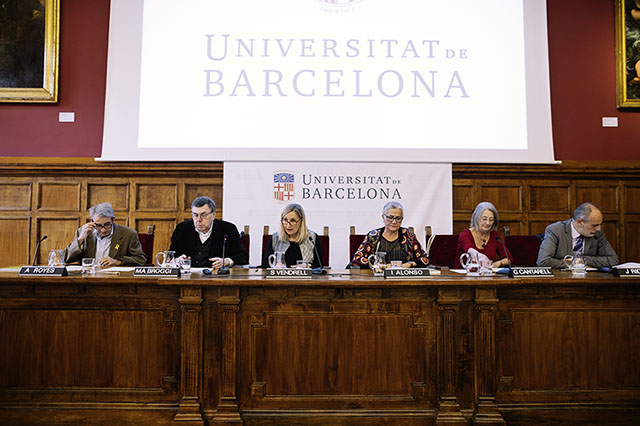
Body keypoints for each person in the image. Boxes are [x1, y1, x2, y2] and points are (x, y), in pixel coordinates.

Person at [169, 196, 248, 268]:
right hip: (188, 277)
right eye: (195, 215)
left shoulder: (228, 229)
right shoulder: (182, 229)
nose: (199, 220)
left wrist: (226, 261)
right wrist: (177, 260)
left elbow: (243, 257)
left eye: (203, 215)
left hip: (216, 278)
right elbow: (170, 256)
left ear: (213, 215)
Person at [537, 202, 618, 268]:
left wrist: (582, 260)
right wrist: (573, 264)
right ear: (579, 222)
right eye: (594, 225)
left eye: (599, 224)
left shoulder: (597, 233)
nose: (598, 229)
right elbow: (543, 261)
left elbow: (613, 260)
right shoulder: (556, 230)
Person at [64, 202, 147, 267]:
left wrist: (118, 262)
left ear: (113, 220)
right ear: (92, 221)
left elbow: (141, 259)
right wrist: (80, 239)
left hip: (115, 279)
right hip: (88, 278)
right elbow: (65, 258)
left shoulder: (128, 234)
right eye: (98, 225)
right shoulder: (83, 232)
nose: (103, 230)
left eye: (107, 224)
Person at [351, 201, 429, 268]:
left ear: (402, 219)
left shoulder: (409, 236)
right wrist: (378, 265)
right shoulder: (373, 236)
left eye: (398, 218)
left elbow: (425, 259)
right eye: (390, 217)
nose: (394, 221)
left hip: (403, 279)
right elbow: (357, 259)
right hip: (377, 279)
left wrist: (409, 264)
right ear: (383, 217)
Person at [261, 203, 323, 268]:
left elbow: (319, 265)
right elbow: (266, 266)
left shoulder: (311, 237)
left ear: (301, 221)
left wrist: (308, 265)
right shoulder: (275, 238)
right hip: (280, 277)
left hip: (304, 277)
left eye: (293, 220)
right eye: (285, 220)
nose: (288, 225)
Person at [453, 201, 512, 269]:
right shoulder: (465, 234)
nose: (488, 223)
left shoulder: (494, 235)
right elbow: (470, 250)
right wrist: (481, 257)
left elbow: (509, 259)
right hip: (462, 275)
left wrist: (498, 263)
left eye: (491, 220)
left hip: (485, 276)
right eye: (484, 219)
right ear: (476, 218)